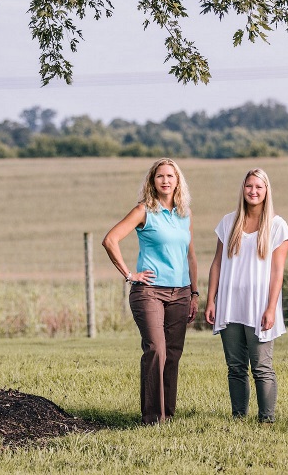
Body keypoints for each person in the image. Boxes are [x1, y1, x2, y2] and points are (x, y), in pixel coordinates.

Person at [102, 158, 199, 425]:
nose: (165, 180)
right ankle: (152, 418)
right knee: (156, 349)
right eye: (160, 176)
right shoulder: (144, 211)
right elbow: (110, 240)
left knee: (173, 353)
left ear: (178, 181)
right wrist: (129, 274)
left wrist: (194, 293)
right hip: (149, 292)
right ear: (152, 181)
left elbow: (190, 256)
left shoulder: (184, 214)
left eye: (170, 176)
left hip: (181, 293)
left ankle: (167, 414)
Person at [204, 168, 288, 423]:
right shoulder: (228, 222)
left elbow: (277, 273)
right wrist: (211, 300)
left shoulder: (277, 226)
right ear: (243, 189)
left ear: (266, 191)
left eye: (259, 187)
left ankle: (267, 419)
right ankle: (238, 416)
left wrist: (271, 308)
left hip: (259, 306)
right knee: (235, 367)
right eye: (249, 186)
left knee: (261, 367)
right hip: (230, 305)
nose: (253, 191)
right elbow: (217, 263)